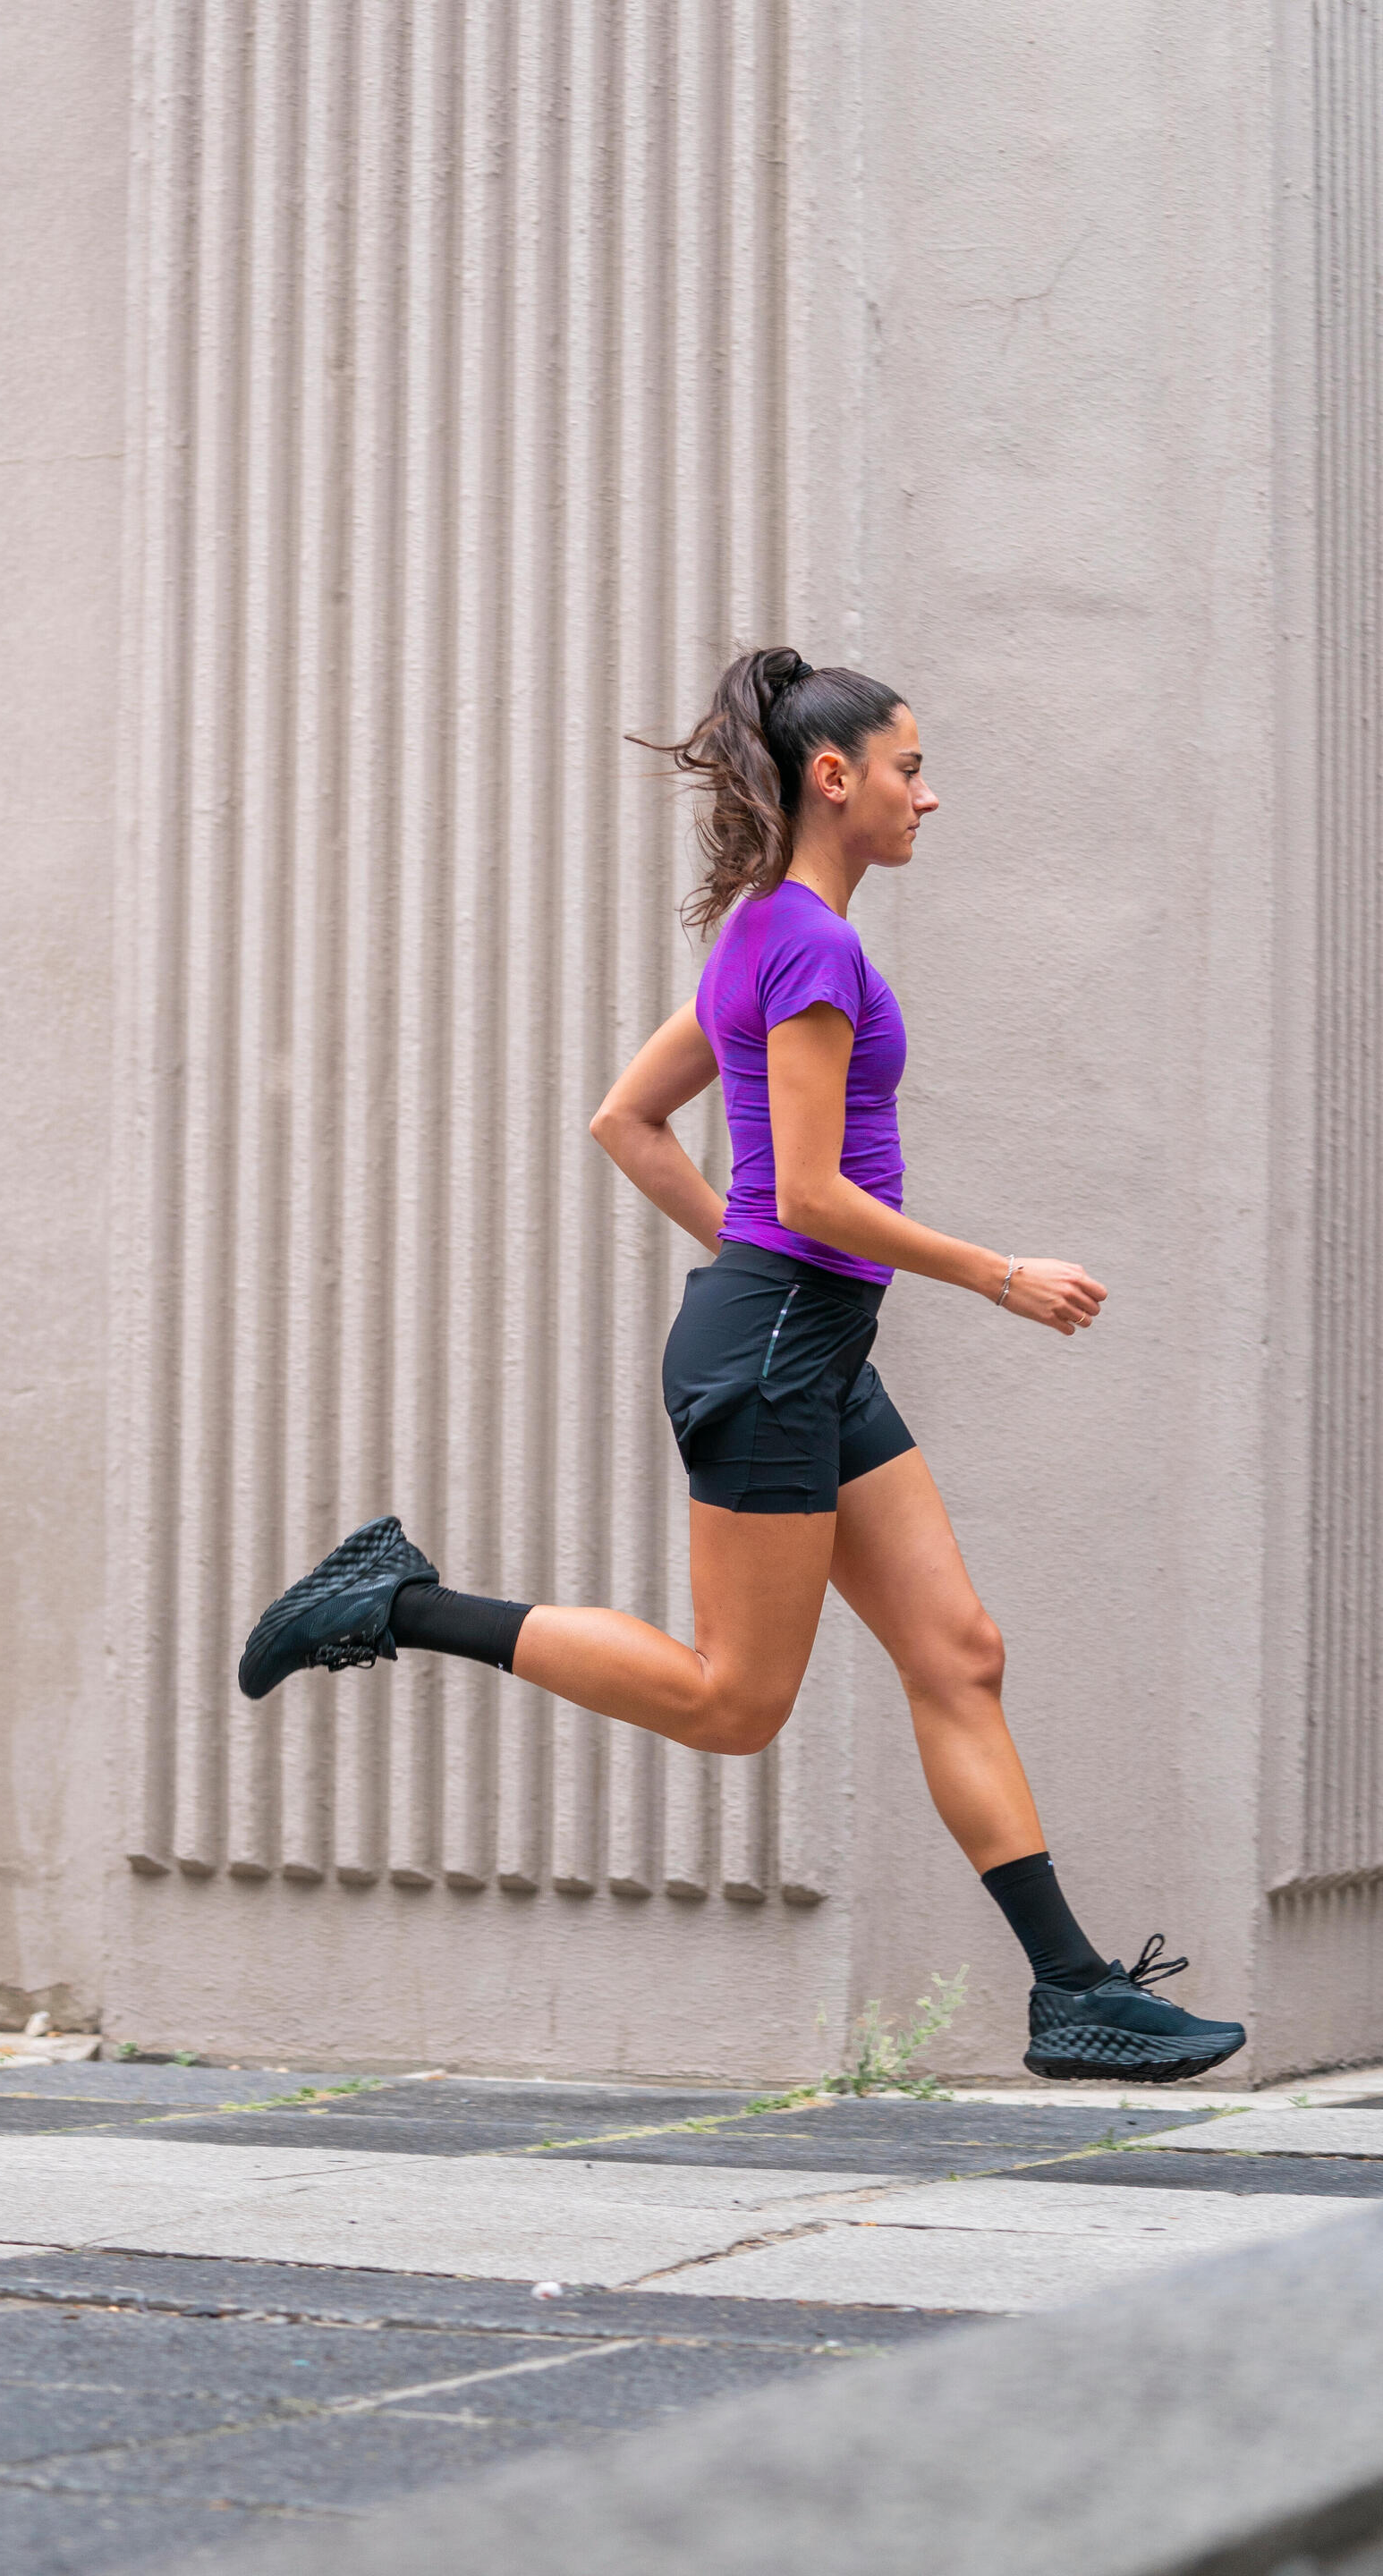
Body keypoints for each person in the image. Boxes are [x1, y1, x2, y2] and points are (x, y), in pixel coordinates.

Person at [239, 649, 1244, 2085]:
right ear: (835, 778)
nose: (928, 795)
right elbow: (818, 1193)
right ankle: (390, 1600)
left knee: (960, 1652)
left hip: (800, 1338)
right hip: (782, 1344)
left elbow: (628, 1122)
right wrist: (993, 1272)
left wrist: (755, 1256)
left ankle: (1072, 1991)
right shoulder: (813, 946)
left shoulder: (763, 931)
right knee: (735, 1703)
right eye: (910, 768)